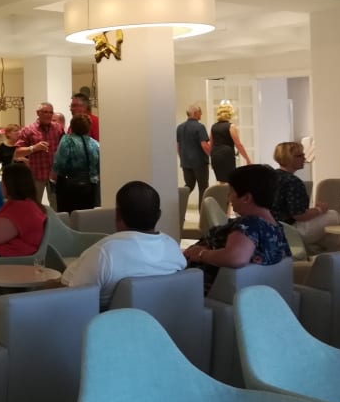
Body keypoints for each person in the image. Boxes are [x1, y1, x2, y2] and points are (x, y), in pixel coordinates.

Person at [61, 181, 186, 309]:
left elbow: (73, 300)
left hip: (105, 320)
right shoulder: (173, 249)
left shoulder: (105, 253)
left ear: (118, 214)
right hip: (161, 319)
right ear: (159, 215)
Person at [184, 164, 291, 288]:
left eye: (231, 192)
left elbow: (236, 257)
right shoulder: (275, 227)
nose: (229, 198)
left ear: (246, 198)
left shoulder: (250, 224)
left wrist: (201, 254)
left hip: (199, 290)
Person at [271, 141, 340, 256]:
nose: (304, 158)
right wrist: (320, 209)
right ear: (288, 158)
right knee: (333, 215)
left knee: (330, 238)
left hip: (274, 229)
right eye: (299, 155)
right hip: (291, 232)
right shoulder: (292, 181)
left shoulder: (272, 177)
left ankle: (338, 257)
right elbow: (299, 215)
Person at [16, 102, 64, 208]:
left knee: (57, 207)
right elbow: (17, 152)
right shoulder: (28, 130)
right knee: (34, 206)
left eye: (51, 112)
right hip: (36, 175)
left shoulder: (58, 128)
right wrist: (33, 148)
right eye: (45, 112)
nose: (48, 115)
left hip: (54, 175)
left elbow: (64, 149)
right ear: (38, 113)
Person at [52, 114, 100, 213]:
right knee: (87, 215)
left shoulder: (67, 141)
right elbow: (98, 166)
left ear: (72, 126)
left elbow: (59, 163)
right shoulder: (95, 144)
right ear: (88, 127)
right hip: (90, 185)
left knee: (68, 215)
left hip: (69, 185)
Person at [176, 103, 211, 203]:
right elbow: (204, 145)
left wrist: (182, 158)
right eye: (200, 112)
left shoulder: (179, 127)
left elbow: (178, 146)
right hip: (200, 163)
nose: (201, 114)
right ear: (195, 113)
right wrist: (212, 155)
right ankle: (202, 211)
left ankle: (178, 206)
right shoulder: (200, 127)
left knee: (189, 186)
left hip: (185, 163)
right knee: (203, 188)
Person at [210, 102, 250, 183]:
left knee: (221, 180)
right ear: (229, 114)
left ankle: (221, 191)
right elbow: (238, 144)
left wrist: (212, 156)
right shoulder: (231, 126)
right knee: (230, 180)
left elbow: (211, 144)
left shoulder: (213, 127)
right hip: (226, 155)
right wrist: (247, 158)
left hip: (215, 155)